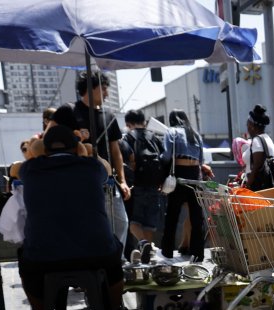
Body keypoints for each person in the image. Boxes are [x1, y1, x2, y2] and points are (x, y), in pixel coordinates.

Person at [18, 125, 123, 310]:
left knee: (27, 266)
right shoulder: (92, 168)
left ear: (46, 151)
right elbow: (107, 170)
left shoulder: (30, 170)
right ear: (76, 148)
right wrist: (85, 152)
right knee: (114, 257)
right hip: (96, 253)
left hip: (44, 256)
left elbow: (28, 159)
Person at [72, 71, 130, 250]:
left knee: (121, 223)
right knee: (87, 226)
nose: (107, 94)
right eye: (103, 89)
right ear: (90, 89)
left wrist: (123, 180)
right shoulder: (70, 112)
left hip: (109, 184)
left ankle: (116, 262)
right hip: (80, 183)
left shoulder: (109, 116)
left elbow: (116, 151)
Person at [161, 109, 213, 262]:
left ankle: (168, 251)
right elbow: (201, 159)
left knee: (172, 215)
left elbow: (166, 155)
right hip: (195, 176)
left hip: (179, 175)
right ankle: (198, 253)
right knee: (196, 217)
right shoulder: (195, 134)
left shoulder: (172, 132)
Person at [123, 109, 167, 245]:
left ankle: (143, 243)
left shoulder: (128, 137)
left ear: (128, 123)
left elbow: (124, 161)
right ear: (144, 122)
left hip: (136, 186)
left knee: (133, 222)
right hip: (155, 186)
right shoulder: (154, 137)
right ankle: (147, 255)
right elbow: (164, 159)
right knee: (149, 224)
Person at [243, 104, 274, 190]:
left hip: (258, 188)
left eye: (247, 125)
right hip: (266, 186)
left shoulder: (257, 141)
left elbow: (257, 165)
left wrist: (248, 184)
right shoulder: (267, 138)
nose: (247, 128)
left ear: (252, 126)